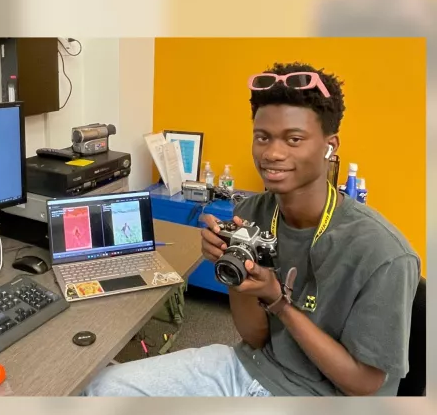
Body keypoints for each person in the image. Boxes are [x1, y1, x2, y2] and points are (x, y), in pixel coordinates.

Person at [82, 62, 420, 397]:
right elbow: (255, 337)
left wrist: (279, 301)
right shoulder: (251, 212)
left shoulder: (384, 253)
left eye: (294, 139)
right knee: (102, 389)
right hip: (252, 366)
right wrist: (233, 272)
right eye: (263, 137)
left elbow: (363, 386)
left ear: (330, 146)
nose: (272, 153)